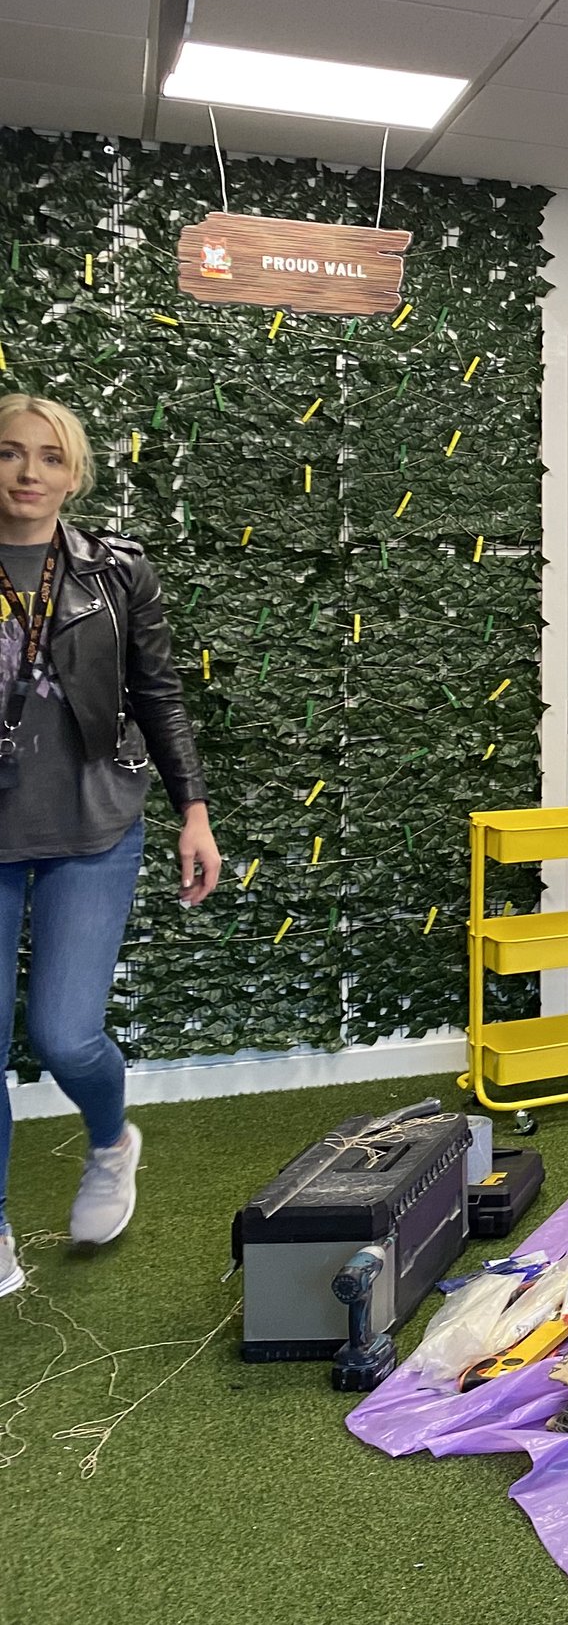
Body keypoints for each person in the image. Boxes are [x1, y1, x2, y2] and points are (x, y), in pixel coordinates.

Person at [0, 396, 220, 1301]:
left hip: (93, 824)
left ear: (74, 474)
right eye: (10, 453)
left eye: (49, 457)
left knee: (64, 1033)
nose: (28, 472)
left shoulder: (116, 570)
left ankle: (108, 1141)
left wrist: (193, 811)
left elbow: (157, 693)